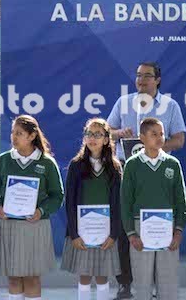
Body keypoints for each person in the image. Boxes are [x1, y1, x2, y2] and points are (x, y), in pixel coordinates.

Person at [107, 61, 186, 299]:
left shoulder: (170, 105)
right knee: (127, 228)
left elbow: (179, 139)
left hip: (160, 170)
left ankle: (156, 285)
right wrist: (119, 133)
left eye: (147, 76)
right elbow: (107, 131)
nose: (141, 80)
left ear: (158, 80)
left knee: (158, 227)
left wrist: (156, 145)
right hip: (127, 169)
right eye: (138, 75)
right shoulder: (123, 102)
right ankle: (125, 283)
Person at [0, 115, 64, 300]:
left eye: (19, 133)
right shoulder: (2, 160)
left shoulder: (46, 163)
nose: (14, 137)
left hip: (35, 226)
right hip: (9, 225)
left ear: (32, 136)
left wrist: (41, 211)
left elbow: (57, 196)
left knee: (32, 278)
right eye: (13, 132)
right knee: (13, 278)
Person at [120, 118, 186, 300]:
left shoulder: (172, 163)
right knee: (142, 281)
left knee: (168, 281)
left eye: (162, 134)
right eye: (153, 134)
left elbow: (181, 201)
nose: (159, 137)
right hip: (140, 228)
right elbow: (125, 201)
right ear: (142, 137)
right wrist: (131, 233)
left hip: (168, 228)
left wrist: (178, 231)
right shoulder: (132, 164)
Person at [61, 118, 121, 300]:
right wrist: (74, 234)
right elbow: (69, 202)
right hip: (82, 233)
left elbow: (118, 203)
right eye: (89, 134)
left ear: (106, 139)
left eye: (98, 134)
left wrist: (113, 234)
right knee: (84, 275)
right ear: (84, 138)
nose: (92, 138)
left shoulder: (115, 167)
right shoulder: (76, 165)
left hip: (105, 234)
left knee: (102, 275)